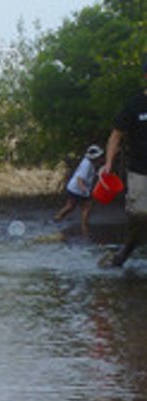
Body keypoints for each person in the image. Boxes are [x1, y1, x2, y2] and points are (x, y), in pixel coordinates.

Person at [101, 52, 147, 267]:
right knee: (139, 214)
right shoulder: (135, 104)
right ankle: (126, 251)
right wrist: (109, 163)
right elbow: (116, 134)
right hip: (139, 170)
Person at [53, 144, 104, 232]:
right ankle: (84, 226)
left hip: (73, 188)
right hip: (78, 189)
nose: (100, 158)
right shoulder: (87, 165)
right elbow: (80, 179)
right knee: (86, 206)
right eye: (99, 156)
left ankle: (57, 218)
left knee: (70, 206)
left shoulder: (88, 162)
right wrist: (84, 190)